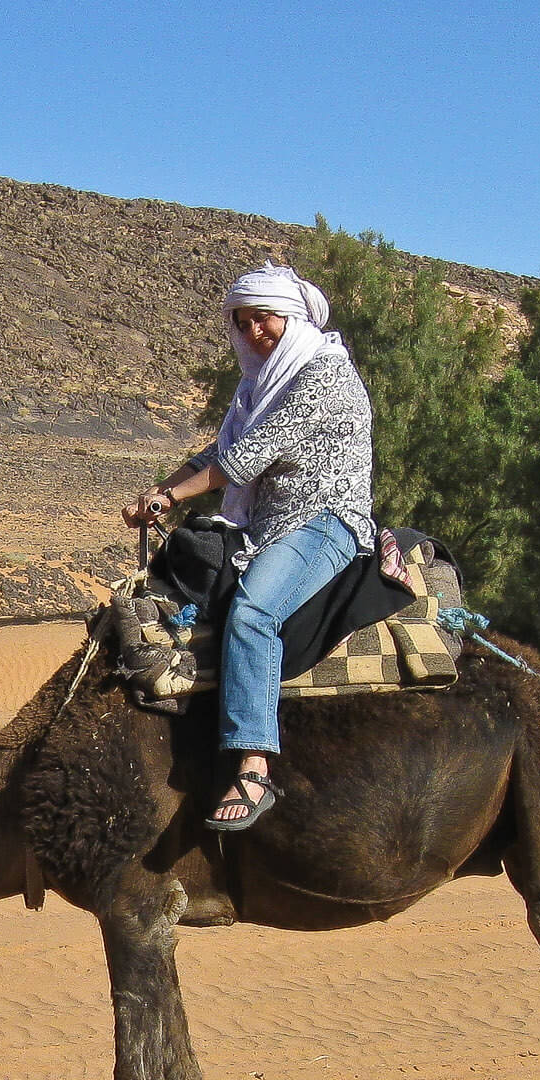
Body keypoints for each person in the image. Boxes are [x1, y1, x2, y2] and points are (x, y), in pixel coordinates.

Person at [122, 263, 375, 832]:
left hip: (323, 523)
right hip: (264, 527)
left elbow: (242, 460)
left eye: (264, 318)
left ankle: (254, 764)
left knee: (253, 614)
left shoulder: (324, 375)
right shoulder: (257, 386)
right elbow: (218, 449)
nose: (254, 331)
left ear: (291, 316)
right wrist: (160, 492)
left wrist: (171, 495)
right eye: (243, 322)